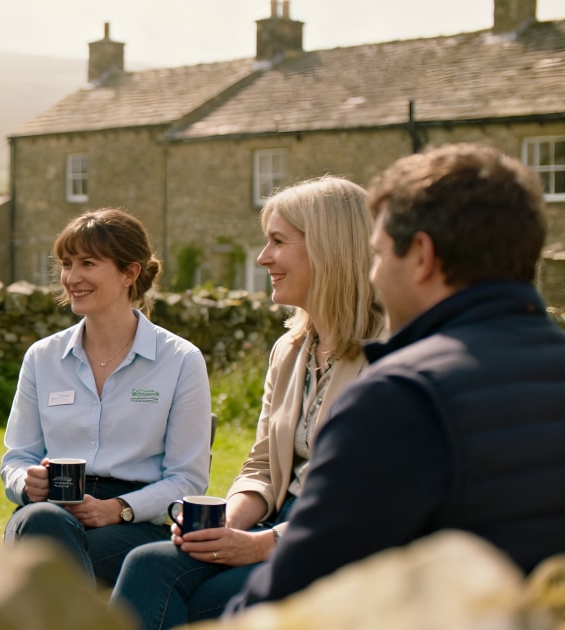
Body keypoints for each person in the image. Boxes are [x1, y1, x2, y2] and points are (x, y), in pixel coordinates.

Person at [232, 143, 565, 610]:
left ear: (422, 256)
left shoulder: (402, 394)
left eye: (378, 255)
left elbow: (291, 591)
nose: (372, 275)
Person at [108, 176, 383, 627]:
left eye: (278, 241)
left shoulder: (391, 356)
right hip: (273, 523)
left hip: (339, 546)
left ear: (330, 248)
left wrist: (262, 545)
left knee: (205, 602)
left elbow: (373, 501)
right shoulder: (290, 349)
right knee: (148, 563)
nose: (263, 257)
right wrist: (227, 527)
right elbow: (260, 466)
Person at [0, 208, 213, 589]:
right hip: (50, 510)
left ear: (129, 274)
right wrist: (25, 483)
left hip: (132, 523)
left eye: (88, 263)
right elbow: (17, 458)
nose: (71, 278)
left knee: (47, 556)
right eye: (66, 264)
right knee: (41, 523)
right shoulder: (42, 357)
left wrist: (119, 509)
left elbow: (187, 479)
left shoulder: (180, 360)